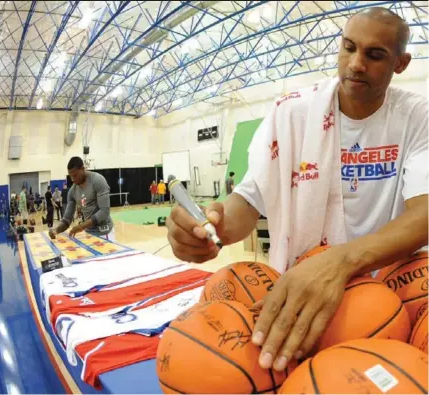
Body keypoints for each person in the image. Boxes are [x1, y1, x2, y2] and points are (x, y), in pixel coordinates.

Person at [166, 8, 428, 373]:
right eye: (348, 48)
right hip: (302, 290)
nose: (355, 64)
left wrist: (339, 262)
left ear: (400, 63)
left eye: (374, 54)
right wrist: (213, 229)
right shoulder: (291, 115)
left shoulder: (419, 116)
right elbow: (249, 199)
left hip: (389, 297)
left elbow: (425, 214)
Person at [49, 157, 114, 240]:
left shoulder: (97, 180)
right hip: (89, 233)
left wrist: (81, 226)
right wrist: (56, 230)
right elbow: (67, 219)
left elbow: (104, 212)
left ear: (83, 169)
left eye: (75, 175)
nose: (73, 179)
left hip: (105, 233)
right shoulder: (72, 192)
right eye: (71, 176)